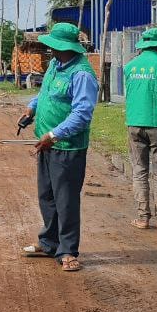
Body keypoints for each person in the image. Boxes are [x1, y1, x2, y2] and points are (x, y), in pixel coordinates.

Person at [17, 23, 98, 272]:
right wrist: (32, 108)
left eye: (53, 45)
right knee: (47, 196)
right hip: (47, 143)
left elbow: (82, 114)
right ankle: (49, 243)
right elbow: (45, 93)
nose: (50, 49)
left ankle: (68, 250)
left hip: (67, 147)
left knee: (66, 200)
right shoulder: (55, 64)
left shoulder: (82, 74)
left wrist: (54, 135)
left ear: (64, 47)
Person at [122, 26, 157, 231]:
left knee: (139, 170)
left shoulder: (130, 66)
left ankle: (142, 218)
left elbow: (129, 93)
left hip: (134, 122)